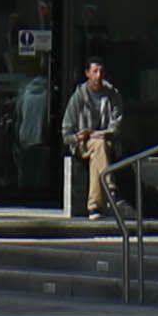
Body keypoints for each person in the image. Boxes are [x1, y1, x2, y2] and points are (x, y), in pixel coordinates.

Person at [59, 59, 127, 217]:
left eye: (101, 72)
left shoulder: (112, 95)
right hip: (83, 144)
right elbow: (66, 132)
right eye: (95, 71)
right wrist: (77, 137)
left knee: (99, 145)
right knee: (98, 145)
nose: (98, 76)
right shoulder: (78, 97)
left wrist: (105, 133)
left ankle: (94, 207)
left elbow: (117, 123)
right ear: (87, 74)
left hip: (107, 142)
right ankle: (109, 187)